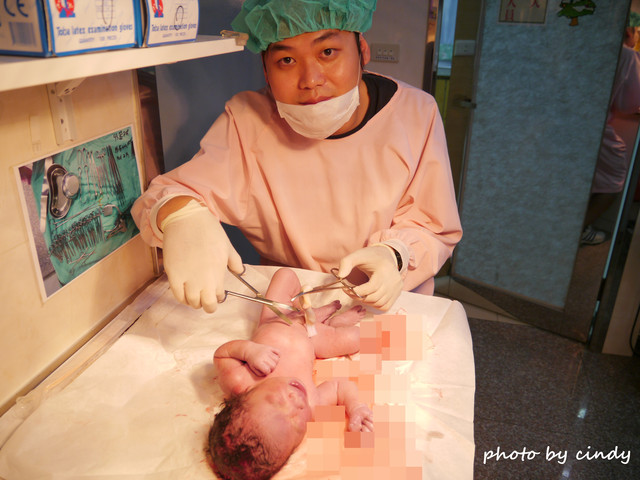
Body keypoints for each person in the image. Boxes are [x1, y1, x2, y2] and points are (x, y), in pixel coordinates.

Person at [131, 0, 462, 314]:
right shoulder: (249, 122)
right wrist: (182, 217)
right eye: (287, 60)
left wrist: (396, 255)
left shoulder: (415, 113)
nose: (311, 81)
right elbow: (169, 194)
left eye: (328, 52)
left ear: (362, 50)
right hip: (293, 307)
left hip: (391, 306)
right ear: (266, 70)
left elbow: (433, 226)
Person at [208, 267, 373, 480]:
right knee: (356, 338)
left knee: (285, 276)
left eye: (278, 403)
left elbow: (222, 355)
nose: (296, 403)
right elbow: (340, 387)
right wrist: (355, 406)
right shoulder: (312, 406)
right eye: (296, 424)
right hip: (314, 339)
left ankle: (312, 314)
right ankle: (332, 324)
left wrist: (249, 351)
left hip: (276, 319)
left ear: (242, 397)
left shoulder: (241, 380)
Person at [582, 15, 640, 245]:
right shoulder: (626, 54)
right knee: (613, 181)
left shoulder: (587, 44)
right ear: (628, 32)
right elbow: (629, 103)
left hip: (561, 125)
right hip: (594, 127)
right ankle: (576, 233)